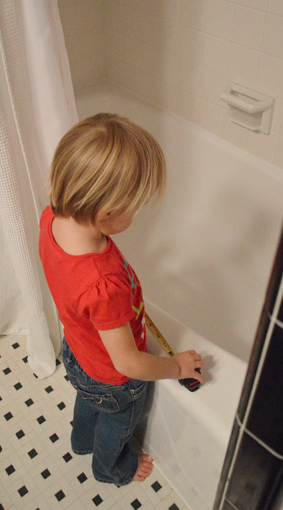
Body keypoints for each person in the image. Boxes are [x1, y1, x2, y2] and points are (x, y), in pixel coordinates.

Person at [39, 113, 205, 487]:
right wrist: (176, 367)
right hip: (114, 381)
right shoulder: (104, 283)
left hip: (78, 351)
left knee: (87, 398)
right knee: (116, 419)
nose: (137, 212)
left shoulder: (52, 219)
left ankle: (81, 440)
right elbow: (129, 364)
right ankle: (110, 468)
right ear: (108, 211)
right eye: (134, 205)